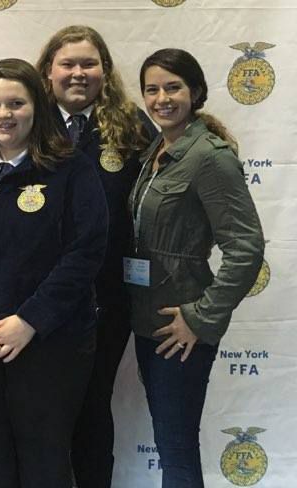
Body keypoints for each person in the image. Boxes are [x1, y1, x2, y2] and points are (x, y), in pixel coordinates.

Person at [0, 58, 108, 488]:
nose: (4, 115)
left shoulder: (69, 167)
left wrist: (31, 319)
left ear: (37, 107)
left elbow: (85, 253)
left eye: (16, 103)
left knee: (44, 466)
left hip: (50, 346)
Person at [130, 48, 264, 488]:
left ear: (196, 92)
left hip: (180, 327)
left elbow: (245, 249)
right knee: (171, 444)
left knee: (177, 448)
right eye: (152, 89)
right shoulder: (159, 147)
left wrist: (201, 317)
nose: (161, 98)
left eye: (173, 87)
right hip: (149, 321)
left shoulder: (210, 156)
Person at [35, 25, 157, 487]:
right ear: (48, 70)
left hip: (108, 298)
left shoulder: (131, 126)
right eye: (68, 64)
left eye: (89, 63)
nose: (78, 73)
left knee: (92, 404)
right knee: (41, 411)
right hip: (35, 300)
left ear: (105, 70)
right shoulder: (27, 120)